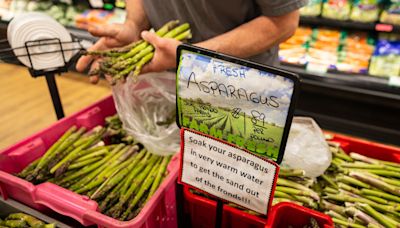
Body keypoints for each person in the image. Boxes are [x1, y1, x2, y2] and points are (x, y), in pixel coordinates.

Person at [76, 0, 306, 83]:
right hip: (169, 75)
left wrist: (191, 56)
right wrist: (134, 25)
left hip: (242, 84)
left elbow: (283, 22)